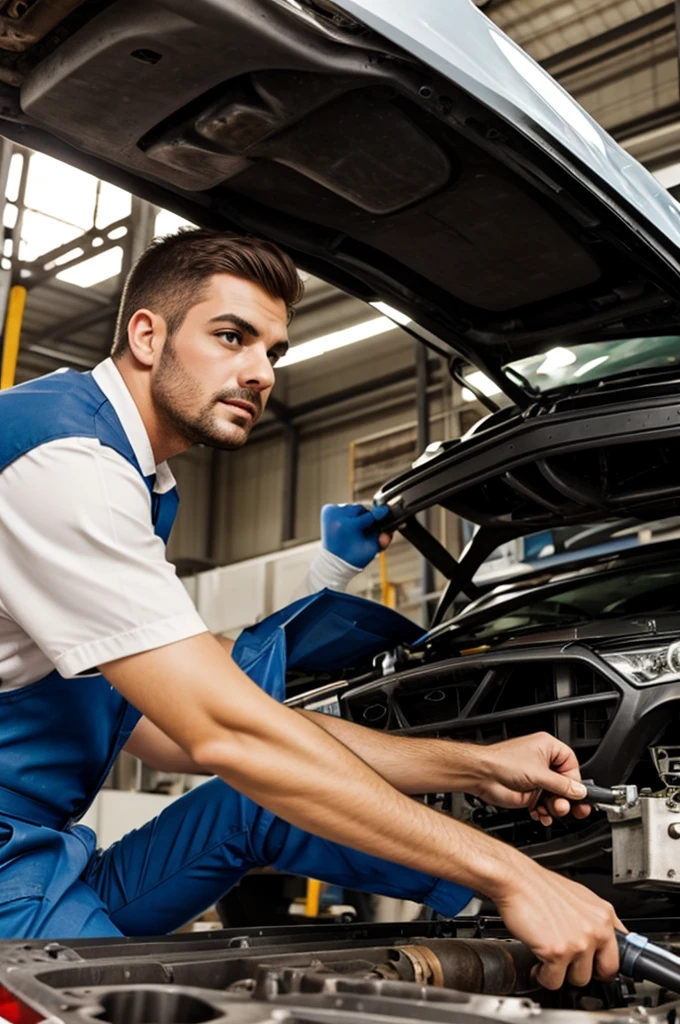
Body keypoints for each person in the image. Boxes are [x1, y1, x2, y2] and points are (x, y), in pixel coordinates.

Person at [0, 228, 622, 989]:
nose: (260, 373)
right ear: (145, 334)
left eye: (273, 352)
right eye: (231, 337)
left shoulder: (137, 479)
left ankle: (524, 921)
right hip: (6, 872)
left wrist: (473, 766)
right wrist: (510, 874)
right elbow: (226, 729)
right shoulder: (66, 463)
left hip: (41, 861)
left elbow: (167, 732)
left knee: (260, 804)